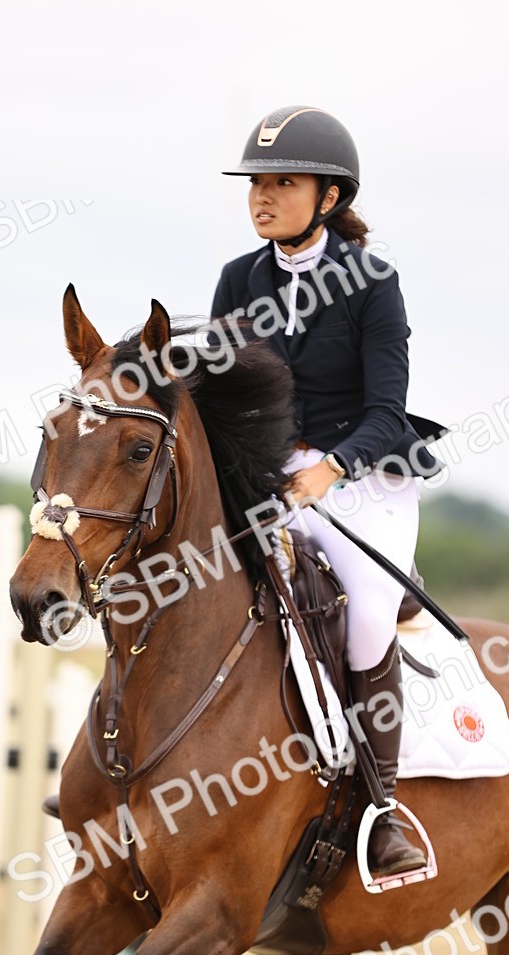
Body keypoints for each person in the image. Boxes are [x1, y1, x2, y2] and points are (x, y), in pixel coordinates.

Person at [211, 105, 447, 877]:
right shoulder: (238, 280)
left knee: (368, 617)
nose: (262, 196)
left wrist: (329, 469)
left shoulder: (373, 284)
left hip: (364, 478)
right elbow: (221, 395)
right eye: (256, 184)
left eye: (283, 183)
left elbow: (386, 411)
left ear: (331, 196)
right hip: (270, 479)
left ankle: (381, 810)